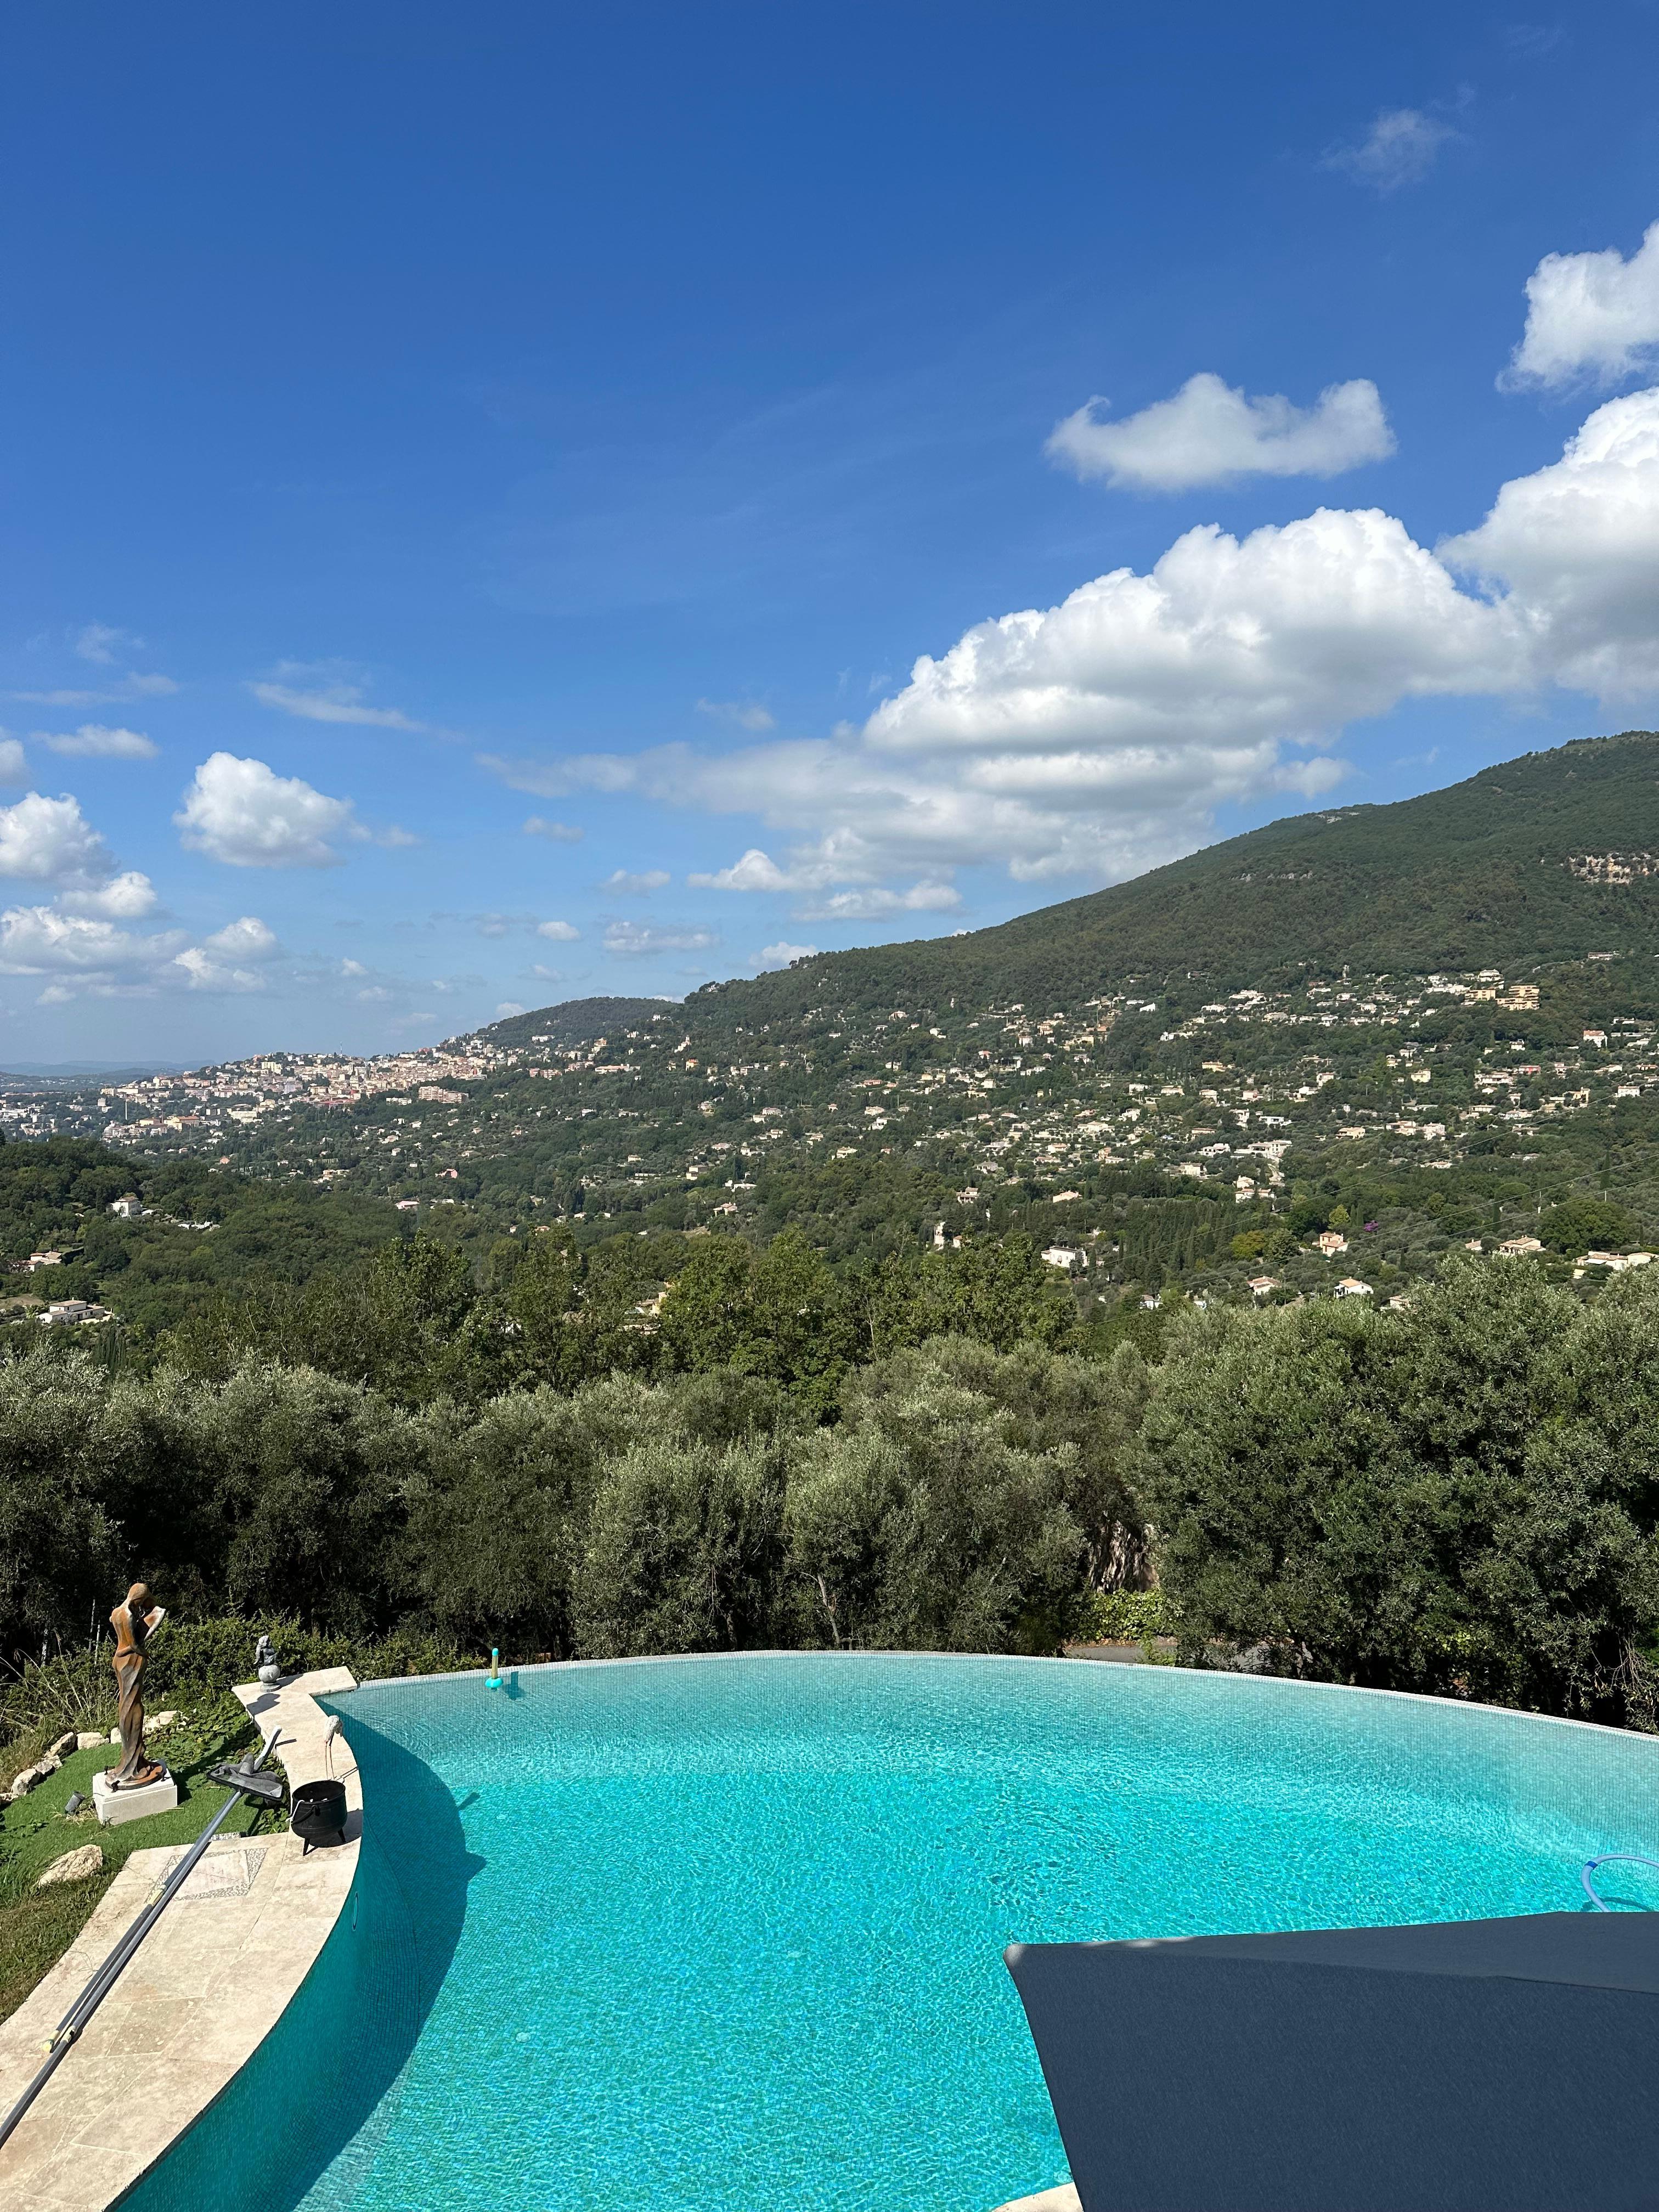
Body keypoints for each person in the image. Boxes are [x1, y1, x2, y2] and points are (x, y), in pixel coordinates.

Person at [109, 1582, 167, 1789]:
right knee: (134, 1708)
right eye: (142, 1601)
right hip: (132, 1659)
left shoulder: (116, 1613)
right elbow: (134, 1644)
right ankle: (132, 1766)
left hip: (119, 1660)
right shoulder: (130, 1615)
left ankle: (133, 1758)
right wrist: (145, 1653)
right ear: (138, 1599)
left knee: (126, 1705)